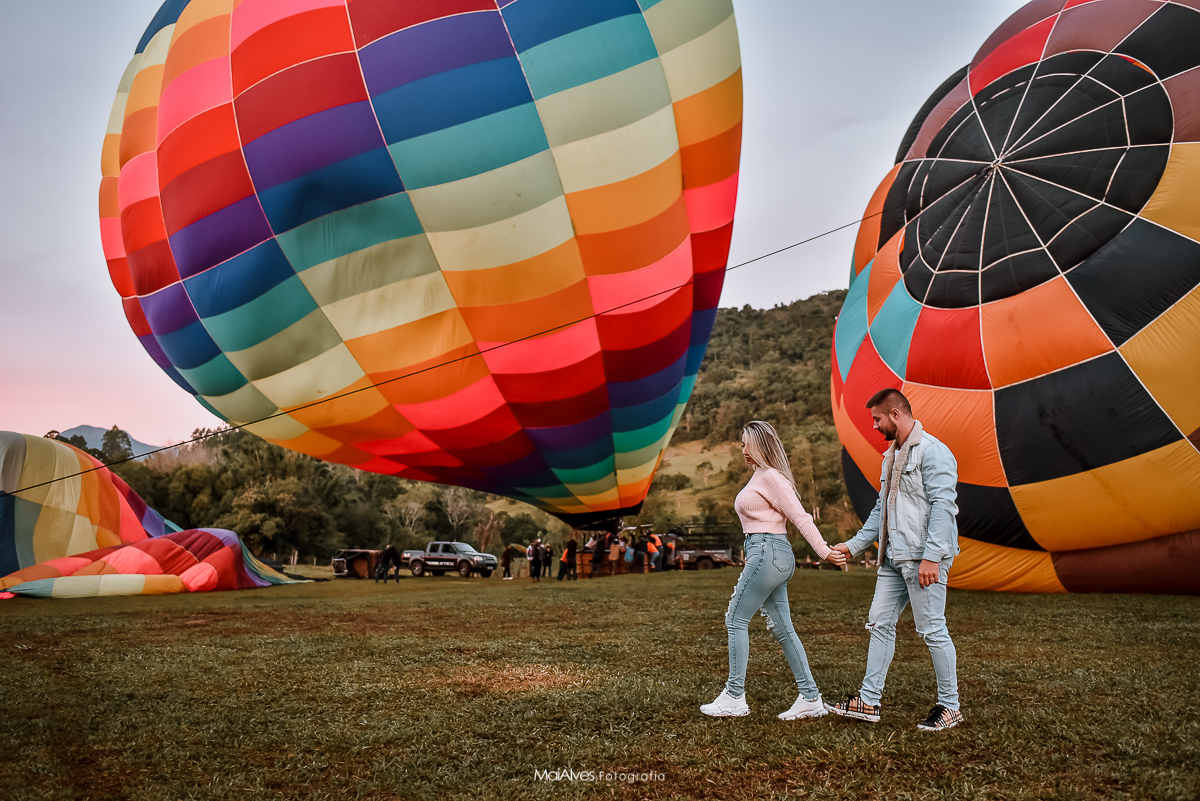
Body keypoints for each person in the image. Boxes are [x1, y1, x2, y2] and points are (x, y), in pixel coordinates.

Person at [825, 388, 963, 732]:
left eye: (877, 419)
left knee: (932, 630)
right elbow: (881, 509)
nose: (873, 426)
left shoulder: (934, 452)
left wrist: (932, 557)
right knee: (878, 623)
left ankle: (950, 707)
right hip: (891, 558)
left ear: (895, 415)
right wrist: (854, 546)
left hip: (922, 559)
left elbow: (945, 506)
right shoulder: (891, 455)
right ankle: (868, 702)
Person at [701, 420, 847, 720]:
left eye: (746, 444)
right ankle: (810, 698)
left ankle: (734, 696)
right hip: (767, 552)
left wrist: (824, 551)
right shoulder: (759, 476)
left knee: (735, 619)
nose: (743, 450)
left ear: (760, 445)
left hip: (768, 552)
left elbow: (800, 516)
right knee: (783, 629)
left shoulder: (771, 478)